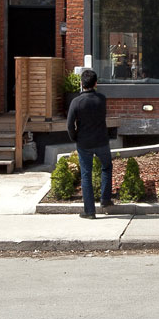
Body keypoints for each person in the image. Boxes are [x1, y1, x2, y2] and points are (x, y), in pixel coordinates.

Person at [66, 67, 112, 217]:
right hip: (101, 140)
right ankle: (105, 199)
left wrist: (75, 137)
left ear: (81, 83)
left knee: (86, 175)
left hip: (84, 142)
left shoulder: (76, 102)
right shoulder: (102, 99)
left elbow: (69, 125)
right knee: (106, 167)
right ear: (96, 83)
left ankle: (90, 211)